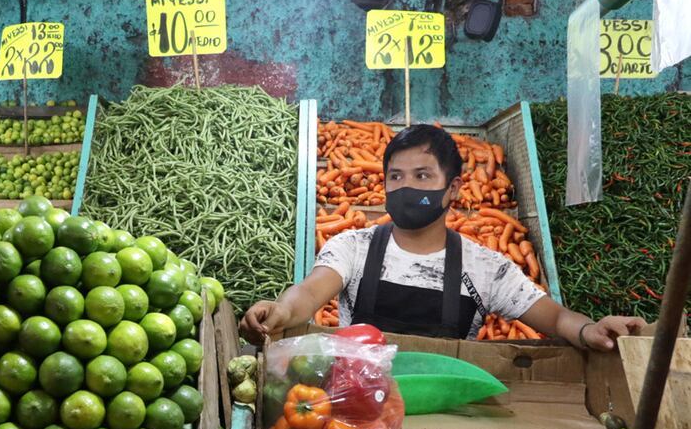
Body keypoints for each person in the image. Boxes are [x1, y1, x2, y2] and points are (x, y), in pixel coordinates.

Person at [241, 124, 644, 350]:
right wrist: (280, 311)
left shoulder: (485, 267)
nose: (405, 186)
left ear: (452, 189)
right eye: (396, 177)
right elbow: (309, 294)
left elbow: (554, 317)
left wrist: (589, 329)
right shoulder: (352, 248)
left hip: (449, 420)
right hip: (360, 403)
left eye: (422, 176)